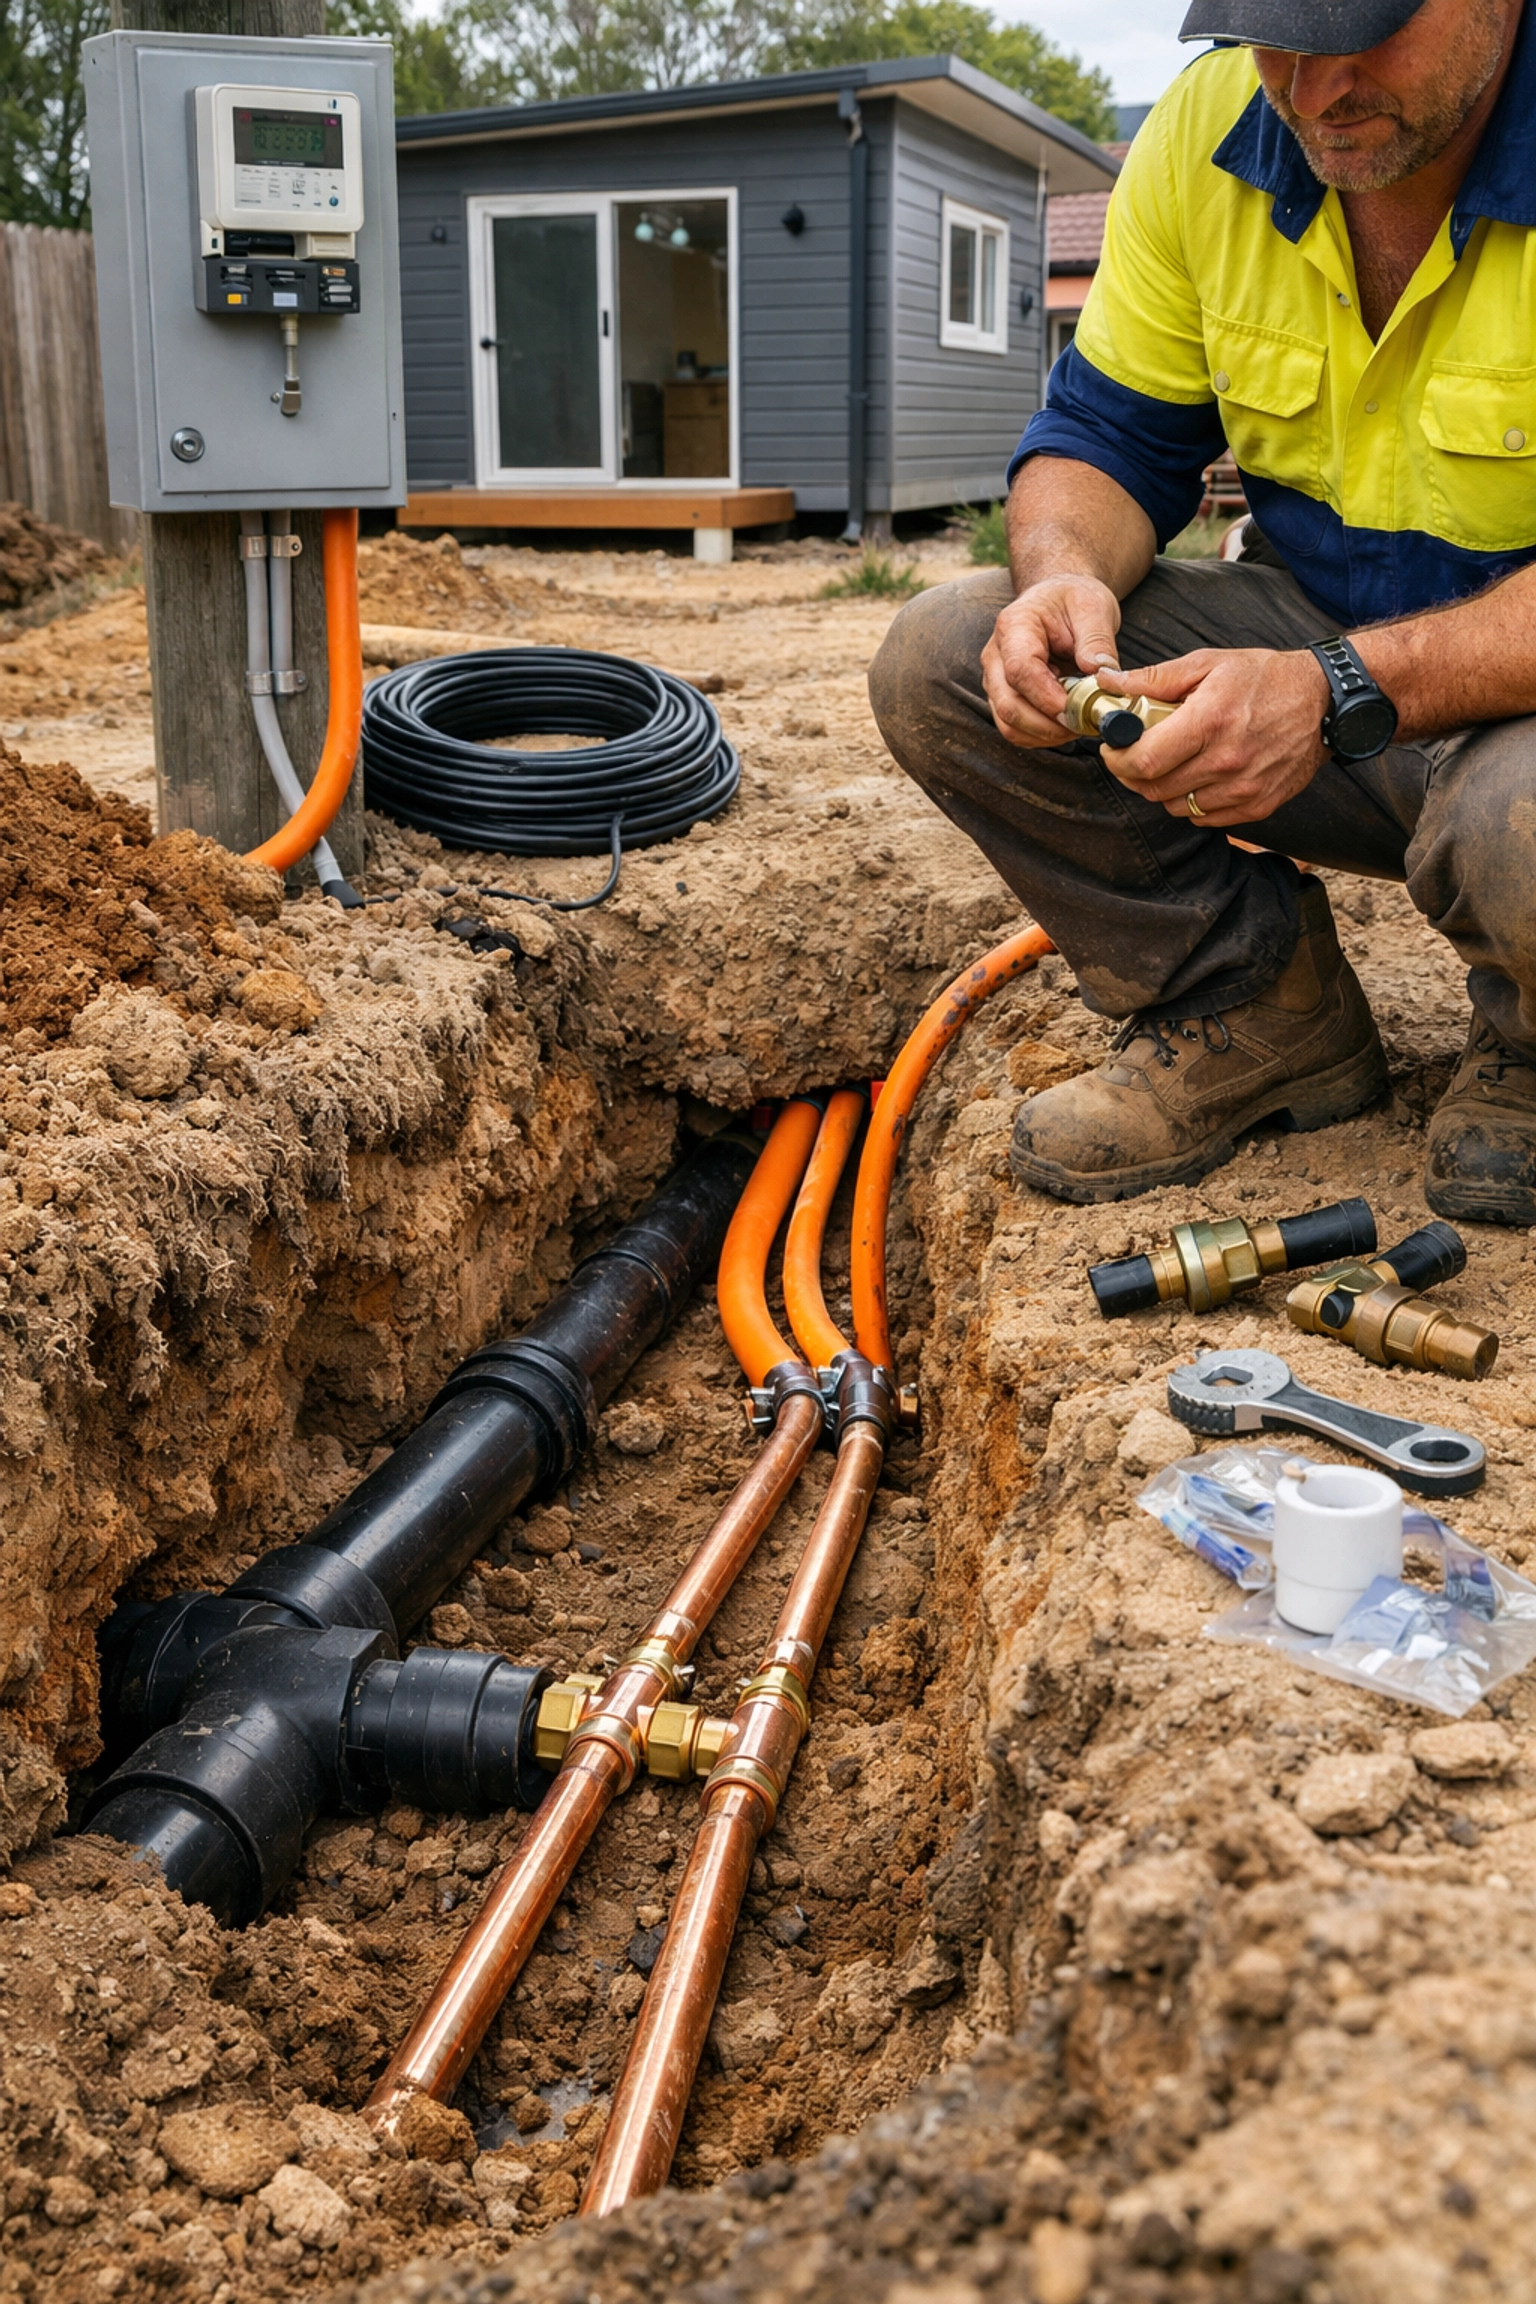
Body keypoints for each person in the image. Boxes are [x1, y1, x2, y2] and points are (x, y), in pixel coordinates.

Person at [869, 0, 1536, 1223]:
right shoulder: (1214, 129)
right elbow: (1109, 434)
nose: (1311, 87)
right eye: (1277, 35)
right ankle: (1256, 1004)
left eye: (1364, 32)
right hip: (1334, 673)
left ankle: (1534, 1047)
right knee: (947, 658)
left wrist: (1338, 686)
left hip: (1511, 720)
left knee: (1526, 823)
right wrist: (1065, 571)